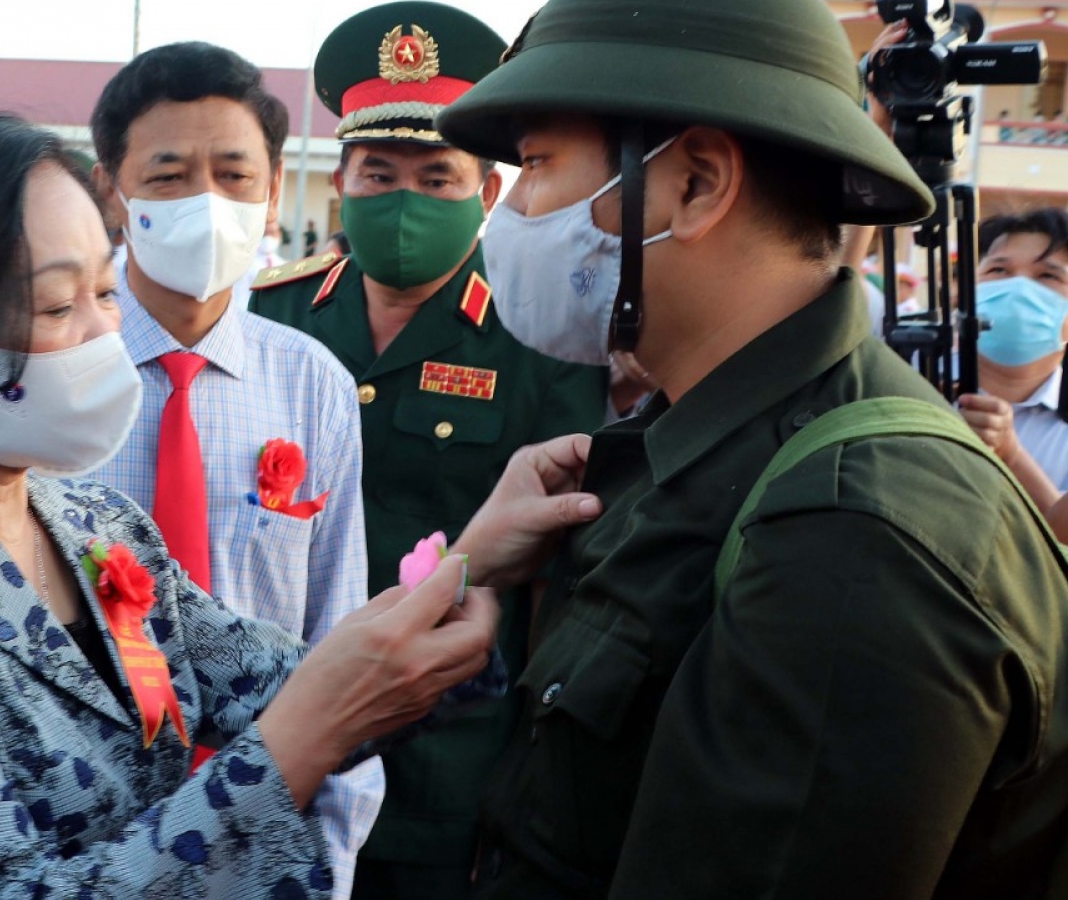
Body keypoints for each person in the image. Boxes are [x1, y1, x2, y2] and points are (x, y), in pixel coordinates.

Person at [0, 111, 533, 899]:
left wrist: (470, 567)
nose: (106, 332)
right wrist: (298, 741)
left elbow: (285, 681)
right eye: (57, 306)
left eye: (106, 289)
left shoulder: (95, 526)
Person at [435, 0, 1068, 895]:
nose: (512, 214)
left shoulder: (852, 529)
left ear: (696, 184)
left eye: (535, 167)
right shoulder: (698, 438)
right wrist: (463, 572)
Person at [249, 6, 607, 896]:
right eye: (379, 173)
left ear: (486, 195)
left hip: (446, 758)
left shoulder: (540, 340)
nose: (403, 199)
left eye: (437, 176)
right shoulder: (268, 318)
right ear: (341, 182)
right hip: (270, 730)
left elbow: (560, 575)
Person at [83, 43, 378, 898]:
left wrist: (329, 853)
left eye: (234, 174)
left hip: (263, 824)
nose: (205, 201)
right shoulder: (57, 374)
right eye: (169, 175)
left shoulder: (310, 381)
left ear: (275, 189)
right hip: (84, 825)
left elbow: (336, 626)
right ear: (112, 190)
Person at [956, 208, 1068, 537]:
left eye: (1048, 276)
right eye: (999, 269)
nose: (1018, 287)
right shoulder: (910, 377)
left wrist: (1012, 455)